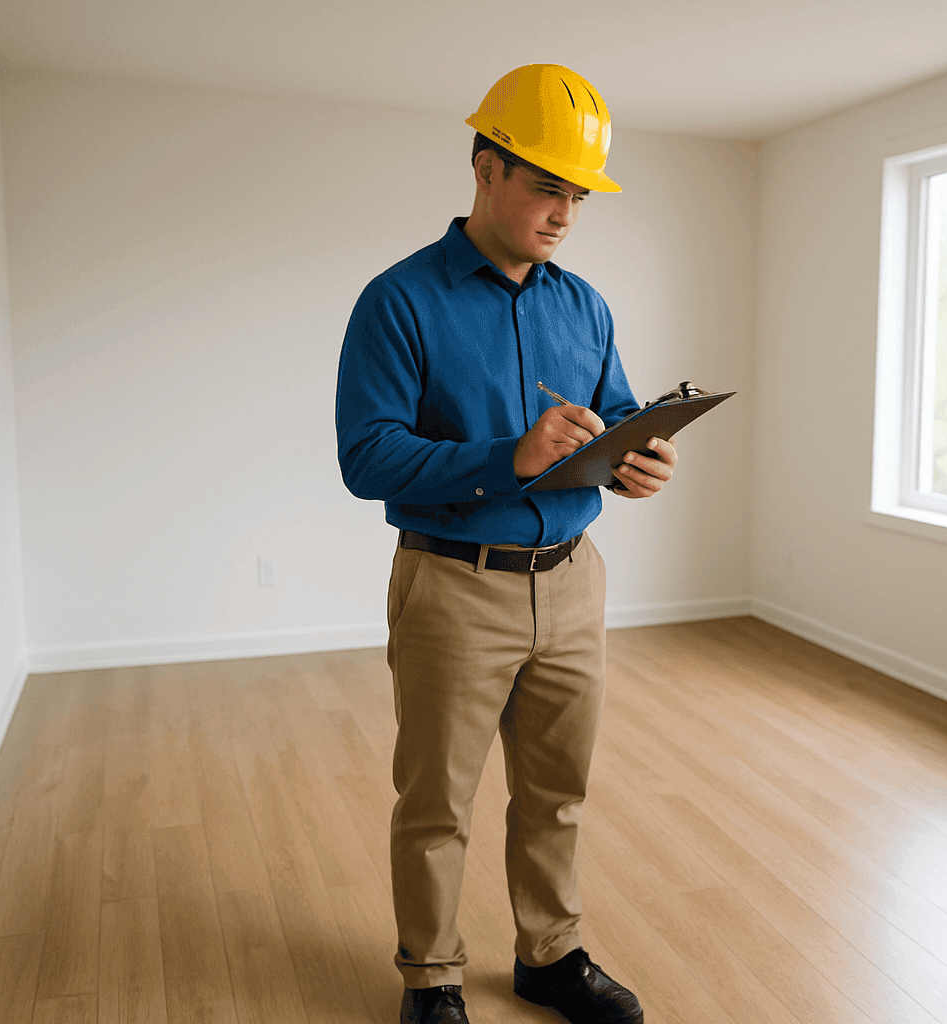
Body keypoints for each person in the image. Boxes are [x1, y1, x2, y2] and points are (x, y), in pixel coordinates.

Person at [335, 64, 674, 1024]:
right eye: (545, 186)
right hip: (453, 585)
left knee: (558, 791)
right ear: (486, 169)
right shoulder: (398, 301)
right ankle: (432, 977)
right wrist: (508, 456)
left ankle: (549, 955)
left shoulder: (586, 307)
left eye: (578, 193)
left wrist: (638, 459)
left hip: (574, 583)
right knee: (438, 800)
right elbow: (367, 457)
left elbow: (614, 418)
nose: (565, 211)